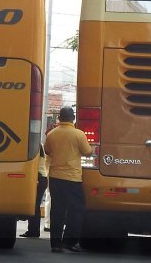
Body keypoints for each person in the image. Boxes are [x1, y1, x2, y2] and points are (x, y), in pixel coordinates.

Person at [44, 106, 93, 253]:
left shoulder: (51, 134)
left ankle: (56, 244)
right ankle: (70, 242)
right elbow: (88, 152)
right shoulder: (78, 134)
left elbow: (47, 151)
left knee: (57, 210)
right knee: (76, 209)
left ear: (59, 118)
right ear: (73, 118)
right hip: (72, 178)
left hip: (55, 177)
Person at [20, 144, 48, 238]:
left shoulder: (35, 147)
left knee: (35, 205)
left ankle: (33, 231)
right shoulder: (38, 146)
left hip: (38, 177)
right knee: (35, 205)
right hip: (41, 177)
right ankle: (33, 230)